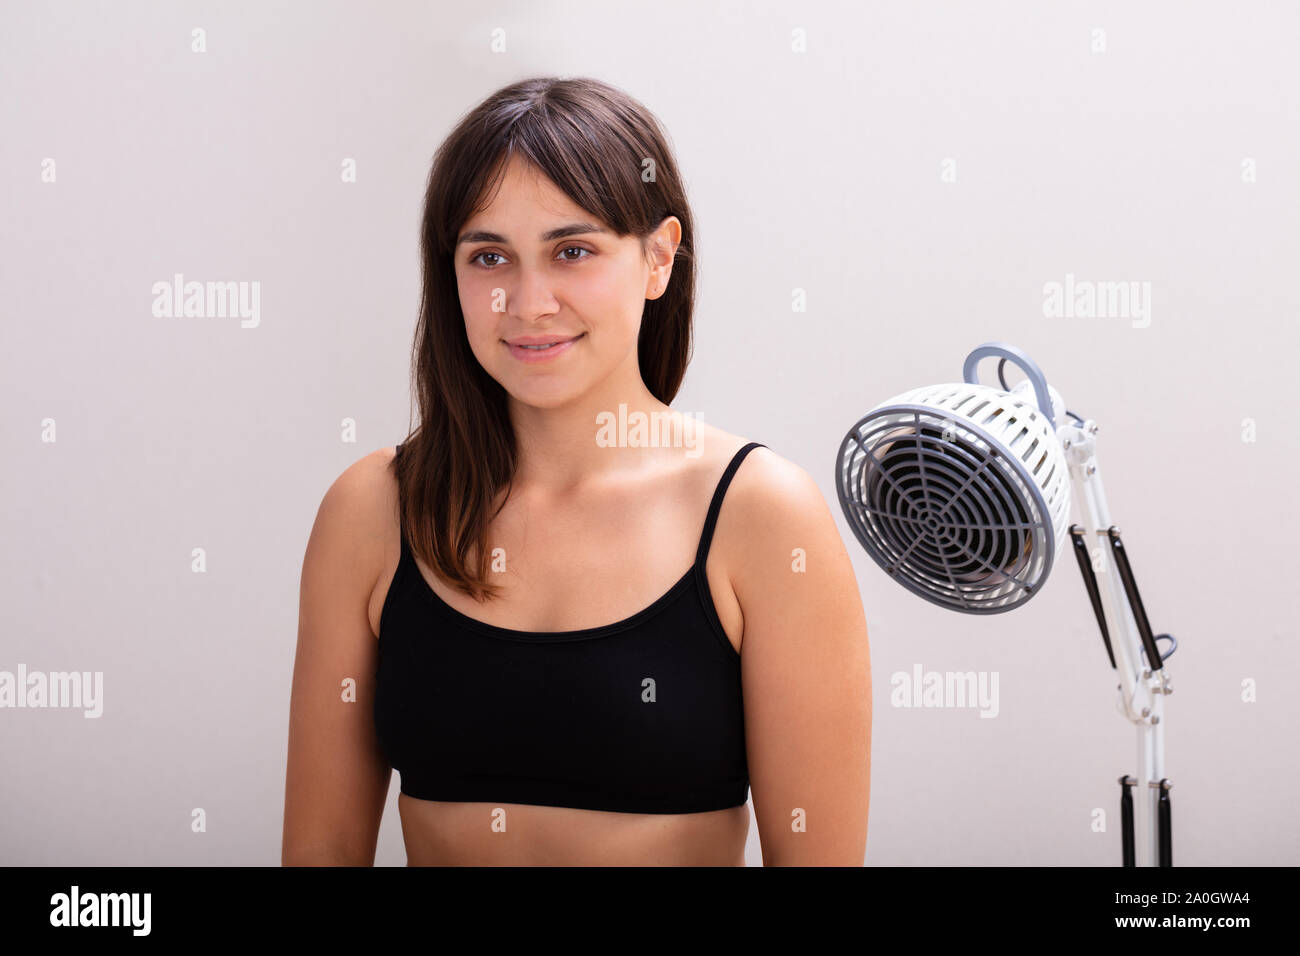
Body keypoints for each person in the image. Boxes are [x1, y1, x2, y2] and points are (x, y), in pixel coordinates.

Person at [282, 76, 871, 866]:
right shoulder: (374, 509)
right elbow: (320, 851)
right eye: (489, 256)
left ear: (658, 258)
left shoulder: (761, 517)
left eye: (572, 251)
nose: (528, 303)